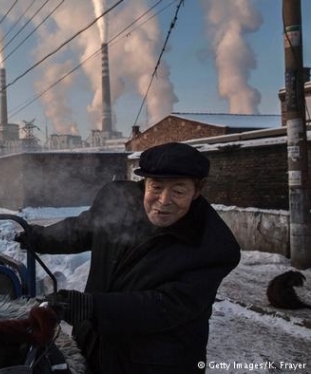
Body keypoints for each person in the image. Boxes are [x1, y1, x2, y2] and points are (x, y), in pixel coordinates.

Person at [15, 142, 241, 374]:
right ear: (144, 183)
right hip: (93, 349)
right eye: (156, 187)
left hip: (154, 364)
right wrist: (36, 237)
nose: (164, 200)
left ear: (198, 190)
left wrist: (91, 308)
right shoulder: (119, 201)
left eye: (179, 191)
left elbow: (164, 307)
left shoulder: (213, 247)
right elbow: (82, 229)